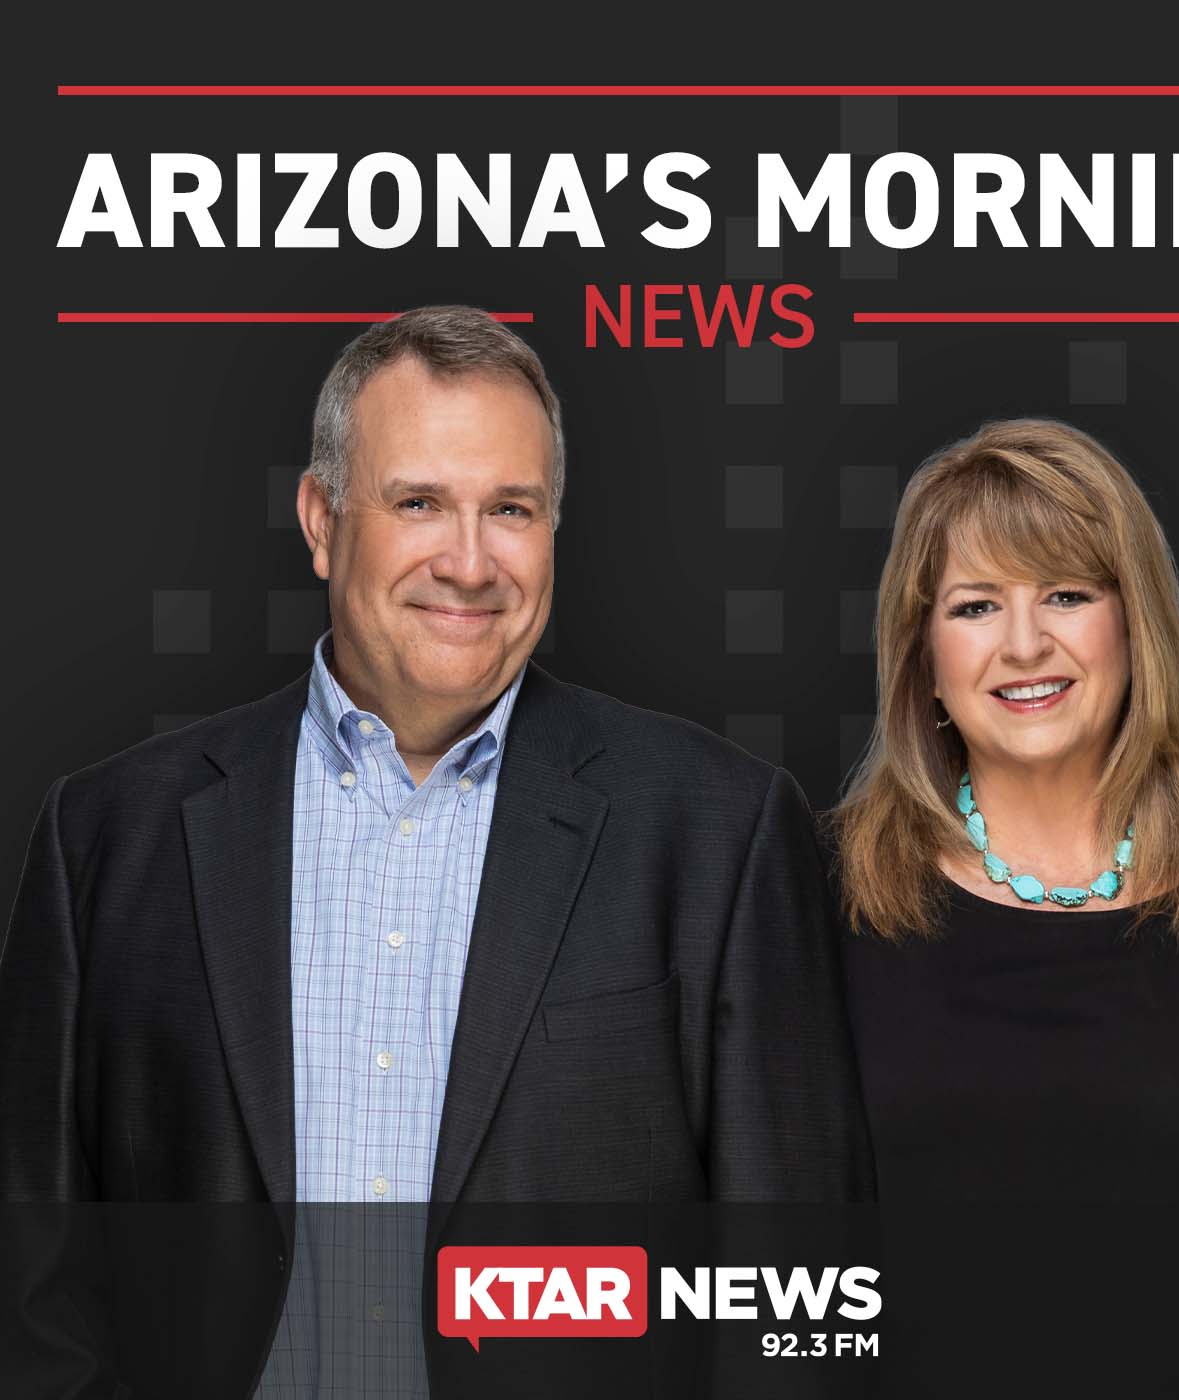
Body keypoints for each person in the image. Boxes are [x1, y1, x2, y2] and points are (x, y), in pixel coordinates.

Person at [0, 305, 874, 1397]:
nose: (469, 560)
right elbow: (32, 1281)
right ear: (322, 518)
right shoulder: (106, 838)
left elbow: (794, 1292)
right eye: (418, 501)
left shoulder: (717, 833)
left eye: (510, 507)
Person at [834, 418, 1179, 1392]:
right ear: (921, 655)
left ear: (1134, 623)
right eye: (974, 605)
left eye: (1064, 593)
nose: (1022, 643)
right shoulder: (814, 892)